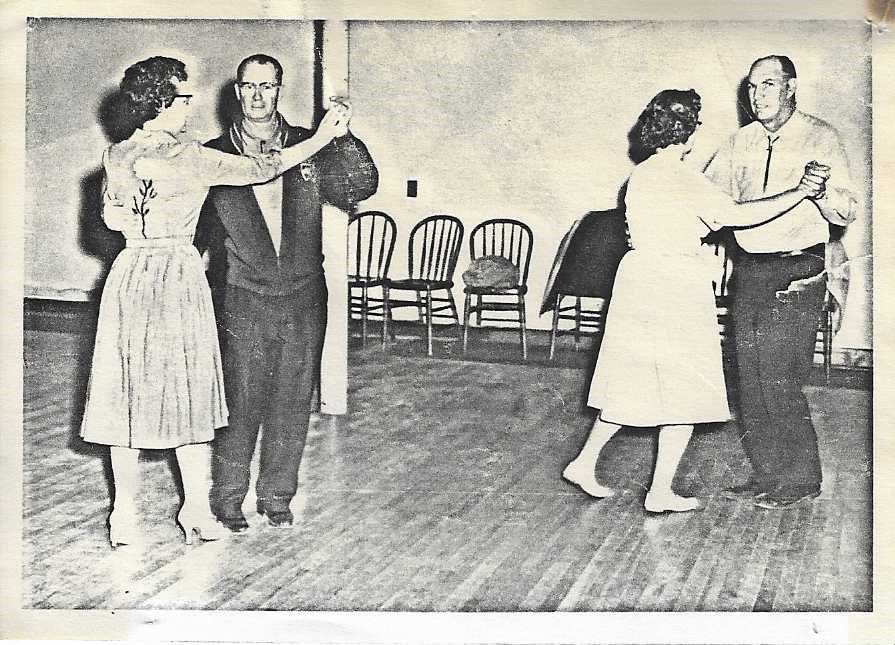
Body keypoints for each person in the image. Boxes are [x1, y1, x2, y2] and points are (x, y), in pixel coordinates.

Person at [79, 56, 350, 548]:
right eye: (184, 98)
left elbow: (112, 220)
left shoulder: (117, 154)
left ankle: (124, 514)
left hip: (130, 275)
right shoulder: (190, 157)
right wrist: (321, 138)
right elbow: (264, 166)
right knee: (194, 393)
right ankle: (197, 511)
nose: (190, 106)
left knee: (127, 394)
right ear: (162, 102)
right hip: (177, 276)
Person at [562, 89, 828, 513]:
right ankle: (659, 490)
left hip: (641, 279)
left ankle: (585, 462)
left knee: (637, 382)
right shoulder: (681, 178)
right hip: (674, 284)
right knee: (682, 387)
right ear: (688, 132)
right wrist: (800, 192)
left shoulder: (644, 174)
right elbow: (738, 215)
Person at [200, 54, 379, 532]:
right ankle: (228, 499)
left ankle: (278, 497)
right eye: (249, 86)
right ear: (236, 91)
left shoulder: (311, 146)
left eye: (268, 86)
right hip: (241, 297)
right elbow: (194, 235)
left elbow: (363, 183)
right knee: (239, 400)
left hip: (304, 296)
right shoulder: (212, 155)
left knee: (294, 397)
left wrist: (343, 137)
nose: (258, 96)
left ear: (280, 89)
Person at [705, 55, 857, 510]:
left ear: (791, 87)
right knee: (749, 379)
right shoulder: (740, 141)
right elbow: (711, 200)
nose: (758, 96)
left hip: (797, 270)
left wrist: (823, 189)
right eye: (752, 88)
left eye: (768, 85)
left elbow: (846, 212)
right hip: (750, 270)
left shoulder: (821, 136)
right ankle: (768, 473)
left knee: (779, 378)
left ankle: (801, 479)